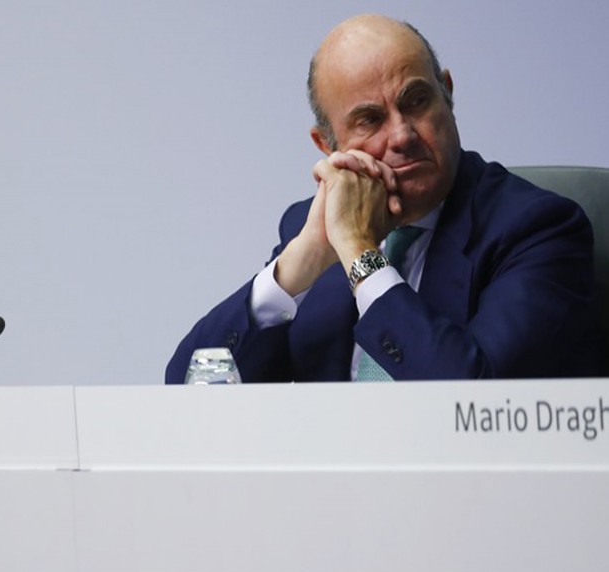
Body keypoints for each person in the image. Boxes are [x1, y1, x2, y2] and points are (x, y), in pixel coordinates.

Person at [166, 14, 603, 383]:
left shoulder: (538, 228)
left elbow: (472, 401)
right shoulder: (313, 228)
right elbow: (189, 386)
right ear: (328, 146)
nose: (402, 135)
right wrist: (296, 266)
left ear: (447, 93)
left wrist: (360, 254)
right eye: (370, 120)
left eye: (416, 101)